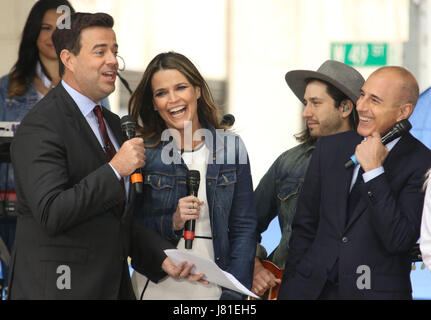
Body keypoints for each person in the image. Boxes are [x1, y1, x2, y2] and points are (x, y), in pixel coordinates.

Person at [8, 12, 204, 300]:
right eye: (100, 51)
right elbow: (51, 212)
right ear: (68, 59)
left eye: (115, 51)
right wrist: (115, 169)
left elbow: (115, 219)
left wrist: (160, 257)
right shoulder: (41, 125)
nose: (112, 60)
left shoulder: (113, 124)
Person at [278, 66, 431, 300]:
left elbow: (399, 239)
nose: (361, 106)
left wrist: (374, 172)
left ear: (404, 112)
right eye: (362, 95)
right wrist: (291, 288)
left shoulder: (421, 162)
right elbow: (304, 228)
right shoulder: (330, 148)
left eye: (375, 100)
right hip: (310, 290)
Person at [128, 51, 257, 300]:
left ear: (197, 90)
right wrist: (173, 220)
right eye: (161, 93)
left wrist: (234, 296)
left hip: (214, 288)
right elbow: (129, 228)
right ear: (154, 103)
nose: (173, 99)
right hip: (156, 285)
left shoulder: (231, 147)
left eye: (181, 87)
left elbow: (244, 228)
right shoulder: (142, 151)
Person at [252, 60, 365, 297]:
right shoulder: (289, 162)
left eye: (315, 103)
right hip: (288, 287)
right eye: (305, 103)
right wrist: (255, 265)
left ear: (345, 108)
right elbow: (245, 224)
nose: (305, 112)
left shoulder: (374, 162)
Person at [0, 0, 76, 293]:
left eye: (61, 28)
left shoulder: (90, 92)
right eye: (45, 27)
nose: (52, 35)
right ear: (33, 32)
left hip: (66, 213)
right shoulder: (6, 90)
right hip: (11, 216)